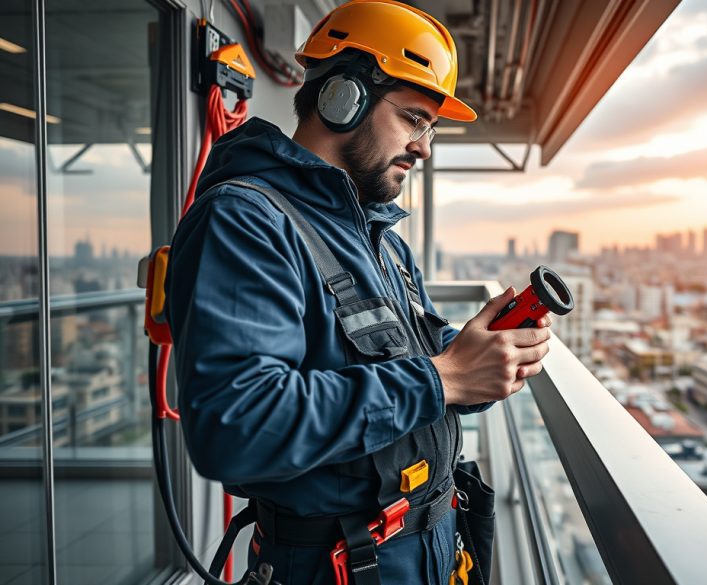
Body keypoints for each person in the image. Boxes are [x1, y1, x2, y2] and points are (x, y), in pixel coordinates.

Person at [165, 1, 551, 583]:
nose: (423, 148)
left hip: (426, 549)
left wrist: (478, 360)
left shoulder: (379, 237)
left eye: (431, 129)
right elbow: (235, 428)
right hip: (339, 565)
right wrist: (443, 379)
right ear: (343, 96)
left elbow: (403, 356)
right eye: (415, 119)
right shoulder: (245, 222)